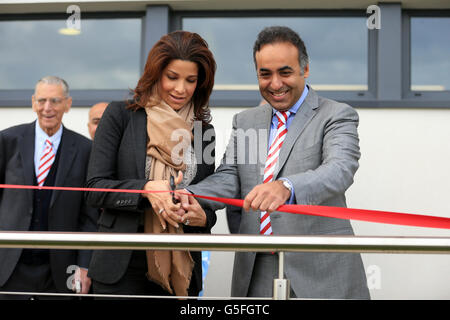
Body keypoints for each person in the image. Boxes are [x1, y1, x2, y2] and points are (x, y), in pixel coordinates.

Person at [178, 26, 370, 299]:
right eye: (265, 74)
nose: (275, 83)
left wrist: (287, 186)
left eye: (285, 72)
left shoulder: (336, 114)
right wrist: (190, 194)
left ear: (305, 69)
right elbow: (231, 176)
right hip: (257, 269)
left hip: (320, 270)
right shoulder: (246, 121)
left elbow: (340, 169)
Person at [85, 30, 217, 298]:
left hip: (181, 270)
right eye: (172, 77)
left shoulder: (205, 131)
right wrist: (145, 189)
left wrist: (203, 215)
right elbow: (95, 188)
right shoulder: (120, 115)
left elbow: (209, 200)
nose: (181, 89)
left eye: (191, 80)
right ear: (155, 74)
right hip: (122, 266)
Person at [0, 76, 98, 299]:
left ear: (68, 104)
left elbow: (89, 216)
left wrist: (84, 266)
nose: (47, 108)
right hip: (8, 265)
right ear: (33, 102)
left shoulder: (85, 150)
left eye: (55, 100)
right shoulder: (7, 140)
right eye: (42, 100)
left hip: (60, 269)